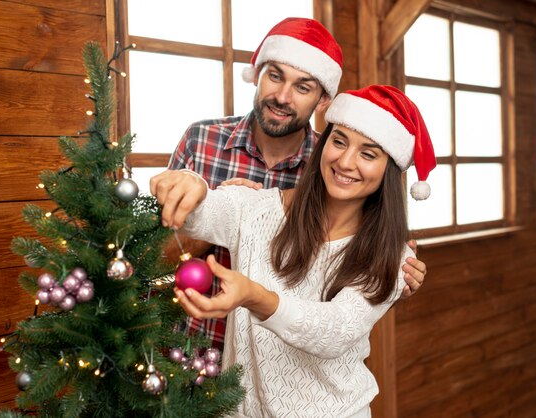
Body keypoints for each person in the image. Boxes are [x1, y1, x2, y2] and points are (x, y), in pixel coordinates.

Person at [151, 85, 436, 418]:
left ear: (388, 170)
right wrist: (191, 184)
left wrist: (254, 296)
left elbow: (334, 331)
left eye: (368, 154)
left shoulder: (395, 256)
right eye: (339, 141)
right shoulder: (257, 208)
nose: (345, 161)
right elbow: (204, 214)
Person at [165, 17, 427, 350]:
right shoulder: (201, 140)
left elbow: (347, 304)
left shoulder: (335, 173)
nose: (283, 96)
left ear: (322, 101)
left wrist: (395, 280)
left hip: (281, 357)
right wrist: (209, 206)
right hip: (191, 346)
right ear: (257, 75)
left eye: (303, 87)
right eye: (275, 76)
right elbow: (156, 256)